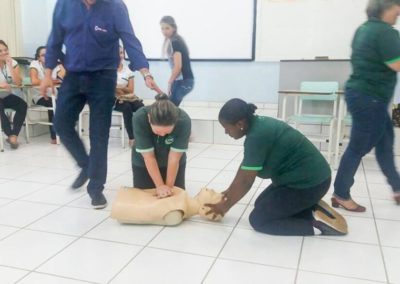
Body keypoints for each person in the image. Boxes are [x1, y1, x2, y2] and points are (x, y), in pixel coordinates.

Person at [40, 0, 159, 209]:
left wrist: (145, 71)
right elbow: (54, 41)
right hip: (74, 75)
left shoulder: (115, 6)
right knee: (61, 124)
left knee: (99, 134)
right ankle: (86, 165)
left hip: (103, 77)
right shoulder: (65, 4)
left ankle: (95, 188)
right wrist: (47, 74)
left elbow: (130, 40)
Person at [205, 99, 348, 236]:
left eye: (226, 128)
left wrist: (225, 206)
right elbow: (245, 168)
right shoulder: (258, 126)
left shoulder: (256, 137)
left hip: (310, 185)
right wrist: (229, 192)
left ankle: (317, 226)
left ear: (240, 124)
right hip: (309, 179)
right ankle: (310, 207)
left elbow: (246, 181)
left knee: (259, 220)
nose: (226, 132)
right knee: (260, 203)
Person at [333, 0, 400, 212]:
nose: (398, 14)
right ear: (385, 8)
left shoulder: (363, 29)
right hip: (370, 98)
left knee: (385, 143)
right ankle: (341, 194)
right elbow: (396, 64)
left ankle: (397, 188)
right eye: (396, 10)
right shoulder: (385, 32)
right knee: (357, 147)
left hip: (364, 95)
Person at [132, 93, 191, 198]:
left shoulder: (184, 120)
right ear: (149, 118)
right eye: (158, 131)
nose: (163, 135)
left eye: (167, 132)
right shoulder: (140, 117)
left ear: (176, 121)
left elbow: (174, 158)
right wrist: (160, 186)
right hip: (144, 163)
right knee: (145, 201)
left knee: (175, 199)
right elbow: (149, 157)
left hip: (174, 163)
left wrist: (168, 188)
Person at [111, 187, 223, 226]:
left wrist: (123, 208)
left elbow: (149, 213)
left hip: (127, 206)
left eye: (212, 194)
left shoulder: (176, 214)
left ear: (204, 209)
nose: (211, 189)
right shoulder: (183, 198)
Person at [30, 46, 65, 144]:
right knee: (52, 104)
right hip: (40, 96)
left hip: (55, 95)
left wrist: (59, 63)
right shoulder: (35, 64)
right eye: (43, 55)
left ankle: (63, 133)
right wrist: (49, 81)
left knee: (64, 104)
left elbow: (62, 76)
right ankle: (54, 137)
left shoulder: (54, 65)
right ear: (38, 58)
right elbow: (34, 81)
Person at [160, 16, 194, 106]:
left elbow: (178, 66)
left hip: (184, 81)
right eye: (162, 28)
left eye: (167, 28)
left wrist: (170, 82)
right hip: (182, 80)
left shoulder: (175, 42)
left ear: (174, 28)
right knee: (170, 108)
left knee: (170, 108)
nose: (164, 31)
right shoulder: (175, 40)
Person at [114, 46, 144, 148]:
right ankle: (132, 138)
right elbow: (108, 88)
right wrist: (122, 87)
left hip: (127, 97)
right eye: (117, 52)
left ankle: (145, 136)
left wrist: (118, 87)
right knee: (126, 107)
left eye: (122, 53)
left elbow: (131, 90)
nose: (120, 55)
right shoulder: (107, 69)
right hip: (112, 99)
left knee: (141, 107)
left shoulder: (128, 70)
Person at [0, 40, 27, 149]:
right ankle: (10, 135)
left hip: (5, 95)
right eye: (0, 51)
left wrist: (10, 66)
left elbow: (18, 83)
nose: (3, 52)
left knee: (22, 105)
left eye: (5, 50)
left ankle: (14, 134)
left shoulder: (13, 63)